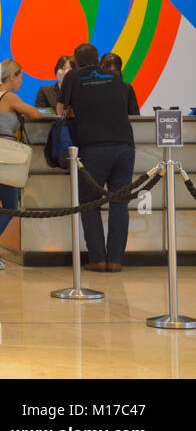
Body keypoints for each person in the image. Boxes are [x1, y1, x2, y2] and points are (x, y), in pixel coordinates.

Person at [58, 43, 136, 272]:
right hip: (124, 146)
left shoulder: (73, 76)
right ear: (98, 59)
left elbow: (61, 109)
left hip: (94, 147)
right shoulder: (114, 77)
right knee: (119, 204)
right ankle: (115, 261)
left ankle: (98, 259)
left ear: (77, 61)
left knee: (90, 204)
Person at [0, 59, 43, 269]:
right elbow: (36, 114)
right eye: (20, 77)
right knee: (11, 206)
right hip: (6, 156)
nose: (21, 81)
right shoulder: (9, 96)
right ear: (12, 76)